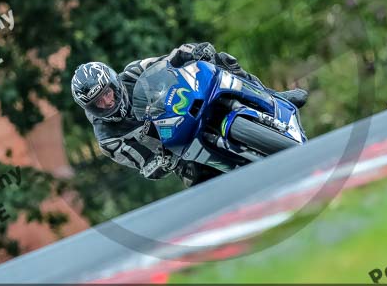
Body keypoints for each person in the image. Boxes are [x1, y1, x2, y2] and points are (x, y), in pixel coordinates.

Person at [71, 42, 308, 187]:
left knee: (223, 61)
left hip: (181, 108)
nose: (107, 102)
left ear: (114, 83)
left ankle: (273, 96)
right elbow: (143, 164)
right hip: (176, 150)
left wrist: (190, 51)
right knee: (197, 181)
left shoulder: (133, 72)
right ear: (90, 109)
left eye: (107, 93)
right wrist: (159, 163)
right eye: (98, 103)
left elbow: (167, 62)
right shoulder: (108, 138)